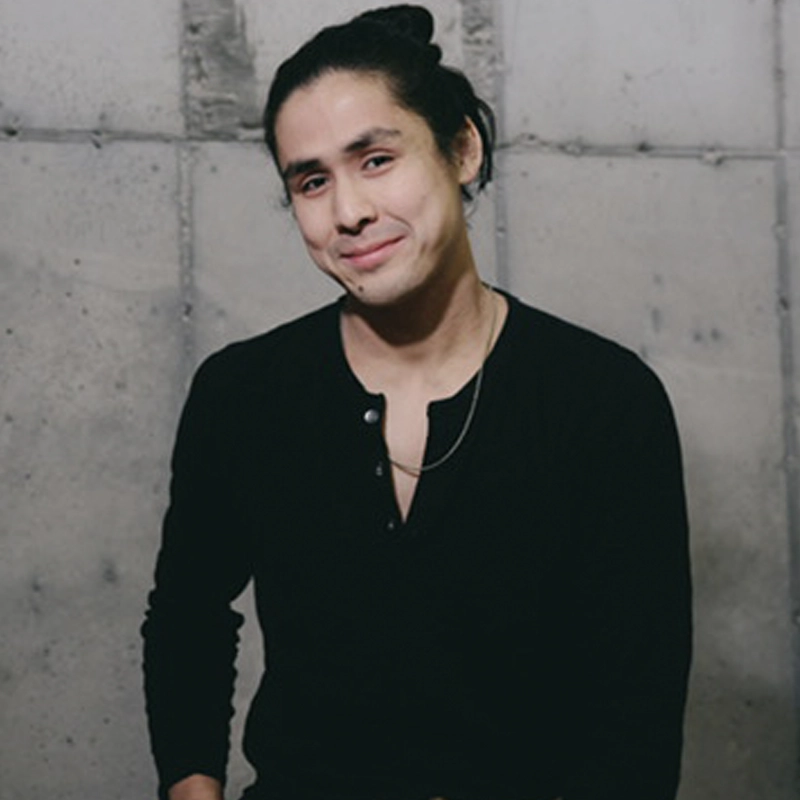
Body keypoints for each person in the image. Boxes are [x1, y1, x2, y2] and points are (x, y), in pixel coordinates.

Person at [142, 5, 692, 800]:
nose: (349, 212)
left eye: (376, 159)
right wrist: (192, 787)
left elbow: (636, 711)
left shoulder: (602, 400)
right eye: (312, 181)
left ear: (462, 148)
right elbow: (187, 614)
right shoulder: (244, 395)